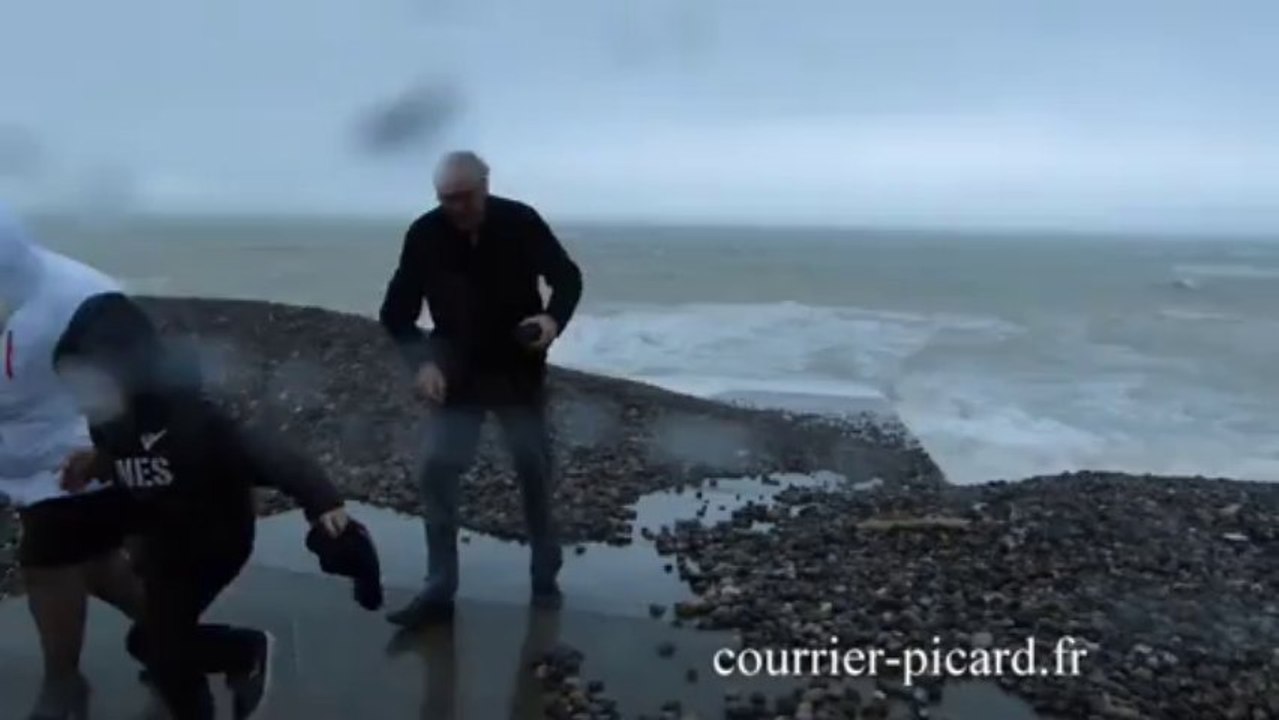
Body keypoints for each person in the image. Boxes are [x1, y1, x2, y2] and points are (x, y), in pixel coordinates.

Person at [52, 291, 375, 720]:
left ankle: (243, 653)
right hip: (164, 542)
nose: (80, 397)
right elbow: (124, 455)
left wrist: (322, 501)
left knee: (163, 646)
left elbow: (265, 450)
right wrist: (96, 463)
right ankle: (227, 669)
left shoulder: (188, 417)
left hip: (215, 541)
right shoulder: (107, 420)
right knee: (152, 646)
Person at [379, 150, 583, 627]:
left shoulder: (520, 221)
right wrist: (422, 364)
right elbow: (396, 313)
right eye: (446, 199)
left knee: (533, 468)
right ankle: (438, 589)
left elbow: (567, 278)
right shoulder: (425, 234)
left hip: (518, 368)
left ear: (485, 185)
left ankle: (544, 575)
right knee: (436, 471)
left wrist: (552, 319)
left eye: (464, 197)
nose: (455, 208)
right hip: (456, 372)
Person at [0, 206, 144, 720]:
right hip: (18, 452)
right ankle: (183, 641)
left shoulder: (85, 299)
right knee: (100, 566)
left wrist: (110, 451)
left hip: (72, 454)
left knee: (47, 563)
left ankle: (64, 684)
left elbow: (142, 379)